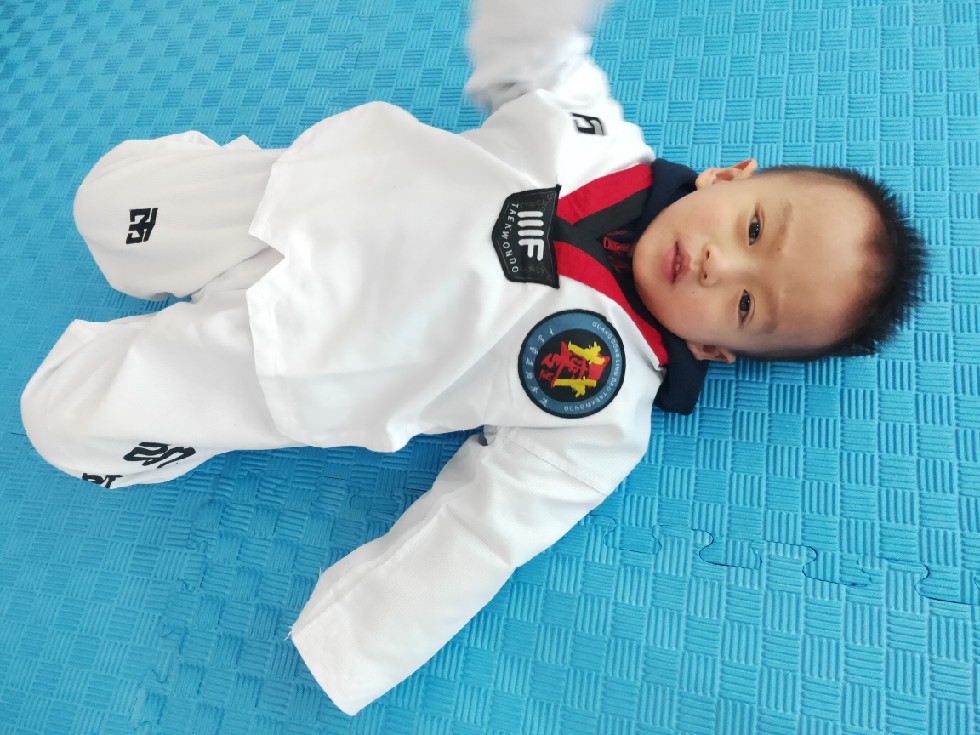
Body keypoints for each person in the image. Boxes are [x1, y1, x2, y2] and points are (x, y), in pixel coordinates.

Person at [20, 0, 922, 716]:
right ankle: (172, 235)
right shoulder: (595, 133)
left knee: (60, 419)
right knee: (105, 208)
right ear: (729, 177)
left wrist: (358, 635)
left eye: (748, 303)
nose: (723, 263)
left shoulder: (601, 408)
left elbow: (487, 527)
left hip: (290, 358)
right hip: (297, 193)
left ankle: (174, 428)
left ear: (714, 348)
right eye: (755, 229)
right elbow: (533, 55)